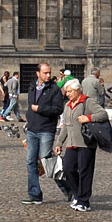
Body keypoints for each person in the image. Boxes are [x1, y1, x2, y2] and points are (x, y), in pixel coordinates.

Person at [54, 78, 108, 213]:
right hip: (71, 144)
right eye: (66, 92)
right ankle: (78, 195)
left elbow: (103, 114)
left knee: (85, 172)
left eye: (70, 91)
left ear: (78, 90)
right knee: (68, 169)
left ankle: (84, 201)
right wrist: (59, 142)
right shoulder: (67, 105)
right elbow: (66, 126)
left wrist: (88, 118)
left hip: (86, 143)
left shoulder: (88, 102)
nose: (68, 94)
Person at [21, 63, 67, 206]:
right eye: (45, 73)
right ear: (38, 74)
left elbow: (58, 109)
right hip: (32, 130)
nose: (48, 75)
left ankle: (68, 189)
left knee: (47, 161)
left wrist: (40, 109)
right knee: (31, 162)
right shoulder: (32, 87)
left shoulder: (54, 89)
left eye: (49, 73)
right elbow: (30, 106)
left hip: (46, 130)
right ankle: (35, 195)